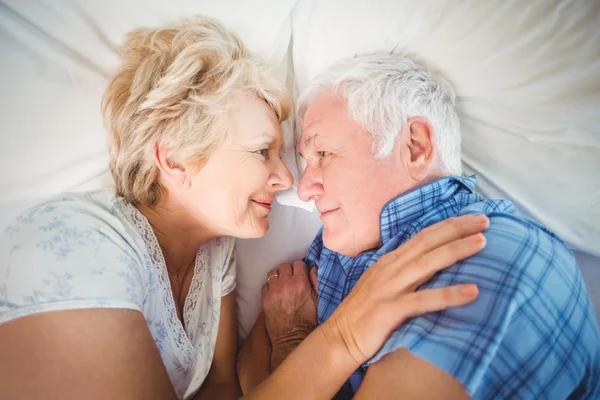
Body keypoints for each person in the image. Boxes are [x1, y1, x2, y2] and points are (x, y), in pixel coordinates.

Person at [0, 18, 487, 400]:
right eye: (261, 152)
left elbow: (220, 387)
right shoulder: (72, 240)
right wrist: (346, 335)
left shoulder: (215, 258)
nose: (288, 179)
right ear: (175, 158)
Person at [239, 54, 600, 399]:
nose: (303, 189)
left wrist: (292, 341)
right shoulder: (340, 241)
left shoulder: (496, 256)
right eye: (307, 161)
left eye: (324, 154)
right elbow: (248, 367)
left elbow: (267, 363)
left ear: (415, 146)